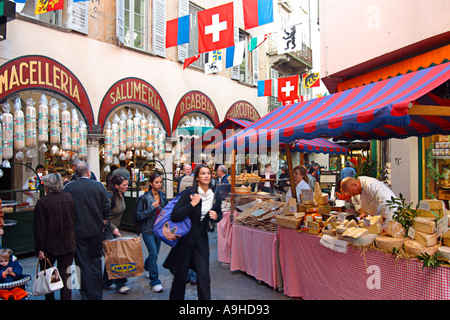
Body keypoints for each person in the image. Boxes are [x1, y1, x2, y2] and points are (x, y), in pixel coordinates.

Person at [163, 164, 222, 300]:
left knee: (204, 277)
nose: (206, 176)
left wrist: (216, 216)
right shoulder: (189, 193)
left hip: (201, 242)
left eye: (208, 173)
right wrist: (192, 204)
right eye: (203, 173)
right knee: (180, 277)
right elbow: (175, 216)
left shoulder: (215, 195)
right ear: (197, 177)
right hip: (185, 242)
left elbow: (218, 214)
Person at [64, 162, 111, 300]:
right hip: (96, 230)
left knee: (82, 263)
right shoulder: (98, 186)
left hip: (78, 231)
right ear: (88, 173)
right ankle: (97, 294)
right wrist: (103, 222)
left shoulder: (69, 187)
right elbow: (106, 206)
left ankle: (87, 294)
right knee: (96, 261)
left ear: (75, 173)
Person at [33, 173, 76, 300]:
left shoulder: (43, 202)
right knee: (66, 275)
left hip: (49, 245)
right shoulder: (69, 198)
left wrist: (39, 248)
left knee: (48, 276)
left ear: (47, 187)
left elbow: (39, 227)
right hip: (68, 243)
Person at [136, 173, 168, 293]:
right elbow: (139, 215)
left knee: (154, 253)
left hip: (158, 230)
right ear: (150, 183)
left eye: (160, 182)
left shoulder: (162, 196)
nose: (159, 184)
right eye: (156, 182)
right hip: (147, 230)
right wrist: (151, 208)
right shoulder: (144, 198)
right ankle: (154, 281)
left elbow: (166, 210)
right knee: (154, 254)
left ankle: (146, 267)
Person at [103, 174, 130, 294]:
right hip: (106, 230)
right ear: (116, 186)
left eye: (127, 184)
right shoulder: (110, 198)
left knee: (112, 256)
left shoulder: (121, 195)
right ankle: (120, 283)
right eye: (124, 185)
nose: (127, 187)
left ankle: (106, 281)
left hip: (114, 229)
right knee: (115, 255)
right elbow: (103, 217)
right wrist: (113, 227)